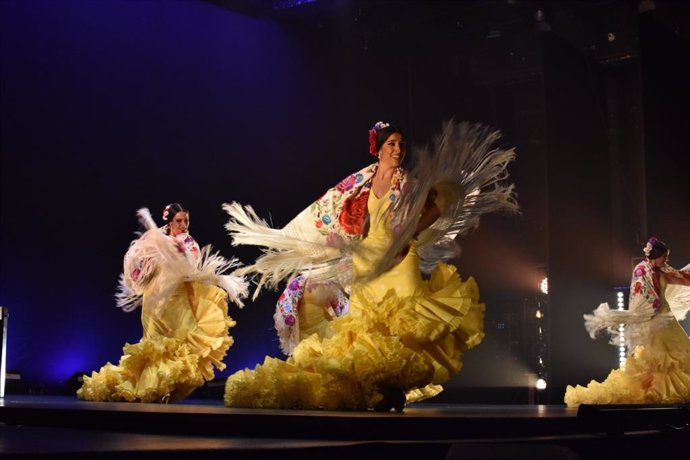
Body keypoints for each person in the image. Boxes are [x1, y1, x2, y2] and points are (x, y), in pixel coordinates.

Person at [222, 120, 518, 411]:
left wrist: (409, 233)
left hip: (400, 260)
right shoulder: (358, 182)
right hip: (367, 262)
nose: (398, 149)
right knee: (368, 329)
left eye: (402, 144)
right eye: (392, 144)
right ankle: (380, 389)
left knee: (404, 322)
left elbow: (438, 205)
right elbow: (328, 209)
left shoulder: (409, 184)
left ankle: (395, 389)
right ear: (378, 149)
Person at [77, 203, 248, 403]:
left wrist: (179, 252)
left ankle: (164, 388)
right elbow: (137, 265)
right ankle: (153, 389)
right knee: (153, 345)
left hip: (177, 300)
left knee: (181, 340)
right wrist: (147, 267)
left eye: (186, 220)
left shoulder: (189, 242)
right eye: (179, 221)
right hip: (155, 300)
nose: (184, 224)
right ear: (169, 221)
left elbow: (192, 267)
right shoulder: (154, 239)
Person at [564, 237, 690, 407]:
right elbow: (642, 299)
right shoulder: (641, 270)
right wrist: (648, 315)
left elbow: (682, 277)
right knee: (661, 359)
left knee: (678, 351)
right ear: (654, 256)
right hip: (654, 319)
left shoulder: (663, 268)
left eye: (667, 256)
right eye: (664, 256)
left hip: (666, 317)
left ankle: (664, 392)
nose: (666, 260)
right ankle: (659, 392)